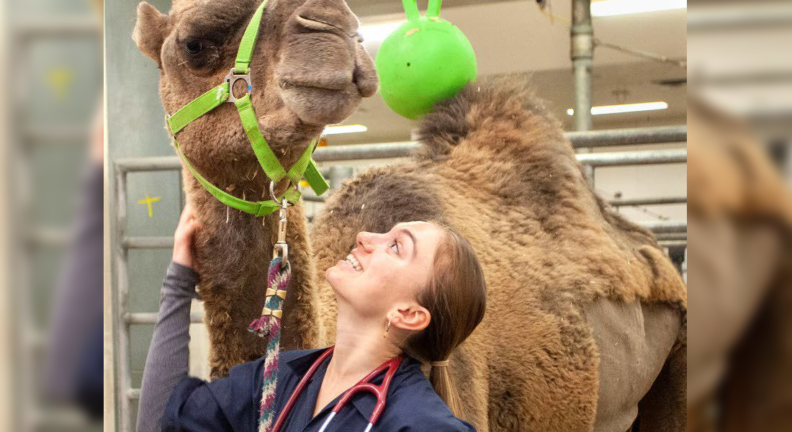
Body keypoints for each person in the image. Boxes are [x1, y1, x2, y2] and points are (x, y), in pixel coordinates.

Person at [136, 203, 486, 432]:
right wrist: (179, 282)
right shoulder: (282, 380)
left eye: (395, 246)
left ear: (407, 314)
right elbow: (162, 420)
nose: (364, 237)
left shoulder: (421, 424)